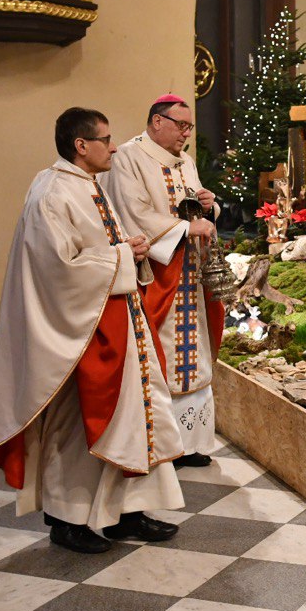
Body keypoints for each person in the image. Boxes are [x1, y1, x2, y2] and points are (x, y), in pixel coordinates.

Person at [0, 107, 185, 554]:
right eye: (106, 139)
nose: (114, 146)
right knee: (76, 428)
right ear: (81, 145)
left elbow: (98, 249)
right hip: (78, 332)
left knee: (133, 419)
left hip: (115, 319)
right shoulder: (52, 193)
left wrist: (127, 250)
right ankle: (66, 519)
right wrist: (119, 257)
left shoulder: (87, 184)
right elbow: (56, 269)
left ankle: (125, 514)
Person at [102, 95, 225, 469]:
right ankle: (164, 443)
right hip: (158, 272)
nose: (186, 134)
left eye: (189, 127)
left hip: (190, 272)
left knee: (195, 352)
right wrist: (188, 227)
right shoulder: (128, 157)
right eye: (181, 126)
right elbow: (134, 212)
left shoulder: (185, 160)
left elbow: (193, 207)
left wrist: (208, 205)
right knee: (162, 352)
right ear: (157, 121)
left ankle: (191, 443)